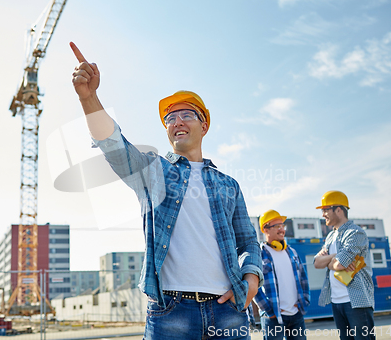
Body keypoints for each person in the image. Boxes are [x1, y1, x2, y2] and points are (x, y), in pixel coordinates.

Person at [69, 42, 263, 340]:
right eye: (170, 118)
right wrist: (89, 98)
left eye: (186, 114)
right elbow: (113, 145)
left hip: (227, 311)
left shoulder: (229, 185)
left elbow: (248, 239)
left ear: (204, 125)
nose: (177, 122)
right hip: (170, 311)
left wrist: (251, 278)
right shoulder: (153, 171)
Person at [313, 191, 375, 340]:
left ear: (339, 210)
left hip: (357, 301)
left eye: (326, 210)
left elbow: (340, 264)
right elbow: (316, 263)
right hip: (336, 302)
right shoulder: (330, 236)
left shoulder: (355, 233)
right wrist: (335, 257)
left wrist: (331, 261)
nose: (323, 214)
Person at [253, 210, 310, 340]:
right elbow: (253, 286)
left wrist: (304, 301)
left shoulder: (292, 252)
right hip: (273, 318)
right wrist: (268, 310)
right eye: (277, 226)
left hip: (296, 315)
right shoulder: (258, 255)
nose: (281, 229)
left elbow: (303, 279)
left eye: (282, 225)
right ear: (265, 229)